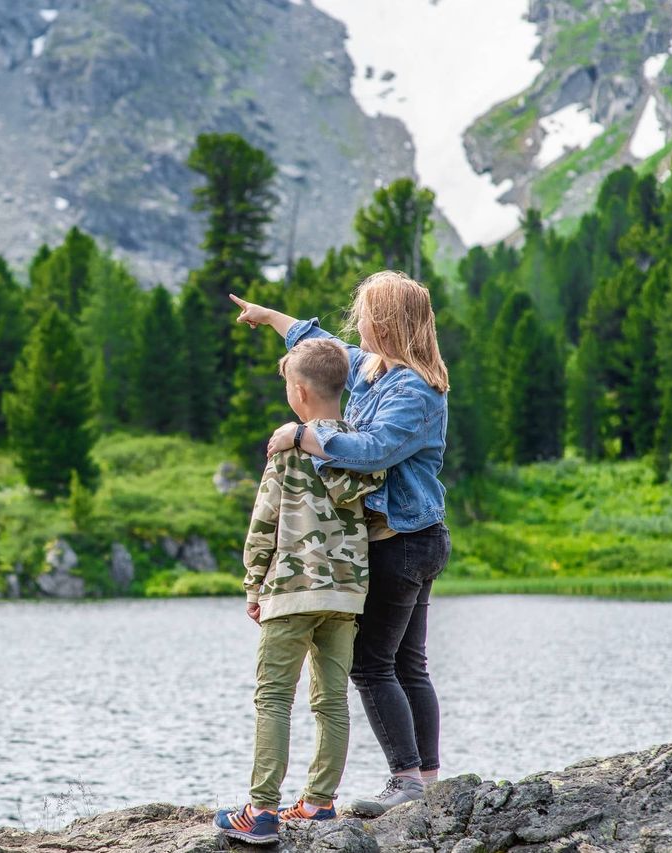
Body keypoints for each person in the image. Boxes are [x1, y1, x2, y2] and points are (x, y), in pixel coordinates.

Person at [230, 270, 452, 818]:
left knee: (373, 665)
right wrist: (270, 317)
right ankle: (426, 780)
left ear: (386, 324)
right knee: (407, 662)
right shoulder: (376, 369)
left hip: (404, 539)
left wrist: (301, 435)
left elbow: (373, 450)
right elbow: (323, 349)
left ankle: (407, 779)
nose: (358, 323)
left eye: (366, 314)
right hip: (412, 538)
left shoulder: (415, 390)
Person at [214, 338, 383, 845]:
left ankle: (262, 810)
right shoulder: (363, 447)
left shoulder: (287, 449)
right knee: (332, 701)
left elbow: (264, 522)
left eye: (288, 385)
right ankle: (319, 802)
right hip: (345, 595)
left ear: (301, 392)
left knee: (273, 699)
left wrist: (253, 585)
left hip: (290, 592)